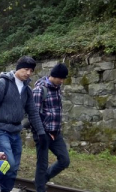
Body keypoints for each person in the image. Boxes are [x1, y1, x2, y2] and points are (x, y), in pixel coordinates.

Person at [0, 56, 46, 192]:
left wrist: (41, 132)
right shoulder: (2, 83)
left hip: (15, 131)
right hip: (0, 129)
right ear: (18, 69)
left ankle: (2, 189)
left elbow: (33, 113)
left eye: (31, 71)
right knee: (10, 163)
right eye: (26, 69)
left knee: (14, 168)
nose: (29, 73)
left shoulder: (27, 90)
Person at [32, 63, 70, 192]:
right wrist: (41, 133)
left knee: (64, 160)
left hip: (56, 133)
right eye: (61, 78)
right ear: (54, 76)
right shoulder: (39, 90)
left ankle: (42, 179)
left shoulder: (57, 88)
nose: (62, 81)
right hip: (42, 133)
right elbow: (34, 114)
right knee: (42, 164)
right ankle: (40, 188)